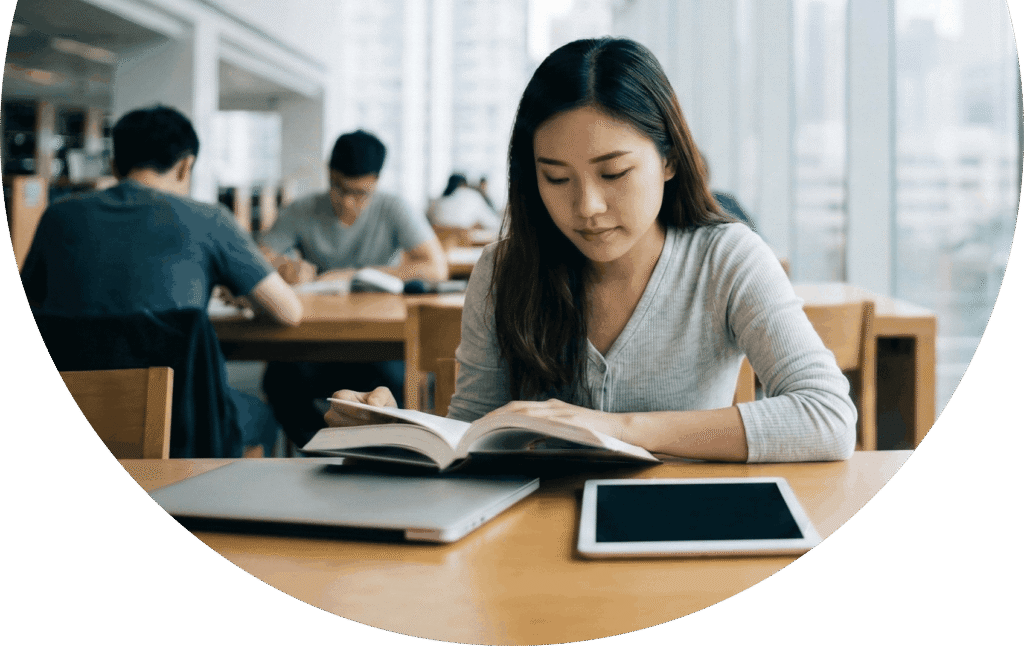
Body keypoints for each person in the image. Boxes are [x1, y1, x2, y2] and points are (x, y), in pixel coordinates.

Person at [328, 38, 857, 463]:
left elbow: (828, 416)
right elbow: (473, 435)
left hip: (681, 539)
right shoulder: (503, 270)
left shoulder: (726, 258)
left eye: (614, 173)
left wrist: (619, 429)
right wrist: (396, 435)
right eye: (556, 178)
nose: (587, 207)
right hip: (530, 546)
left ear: (669, 160)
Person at [22, 105, 302, 457]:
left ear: (114, 164)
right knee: (262, 414)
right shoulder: (209, 220)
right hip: (182, 427)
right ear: (186, 166)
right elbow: (289, 312)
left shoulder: (58, 217)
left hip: (71, 419)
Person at [260, 129, 447, 445]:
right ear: (328, 174)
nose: (348, 202)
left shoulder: (393, 208)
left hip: (379, 337)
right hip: (315, 337)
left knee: (400, 381)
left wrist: (356, 272)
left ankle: (381, 452)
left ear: (376, 182)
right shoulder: (302, 209)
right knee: (279, 380)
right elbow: (259, 259)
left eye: (360, 193)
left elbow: (435, 266)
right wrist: (284, 267)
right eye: (338, 188)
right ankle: (322, 448)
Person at [427, 172, 501, 231]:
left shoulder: (437, 200)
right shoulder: (472, 196)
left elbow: (428, 221)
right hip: (464, 243)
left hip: (442, 245)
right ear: (465, 184)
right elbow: (492, 222)